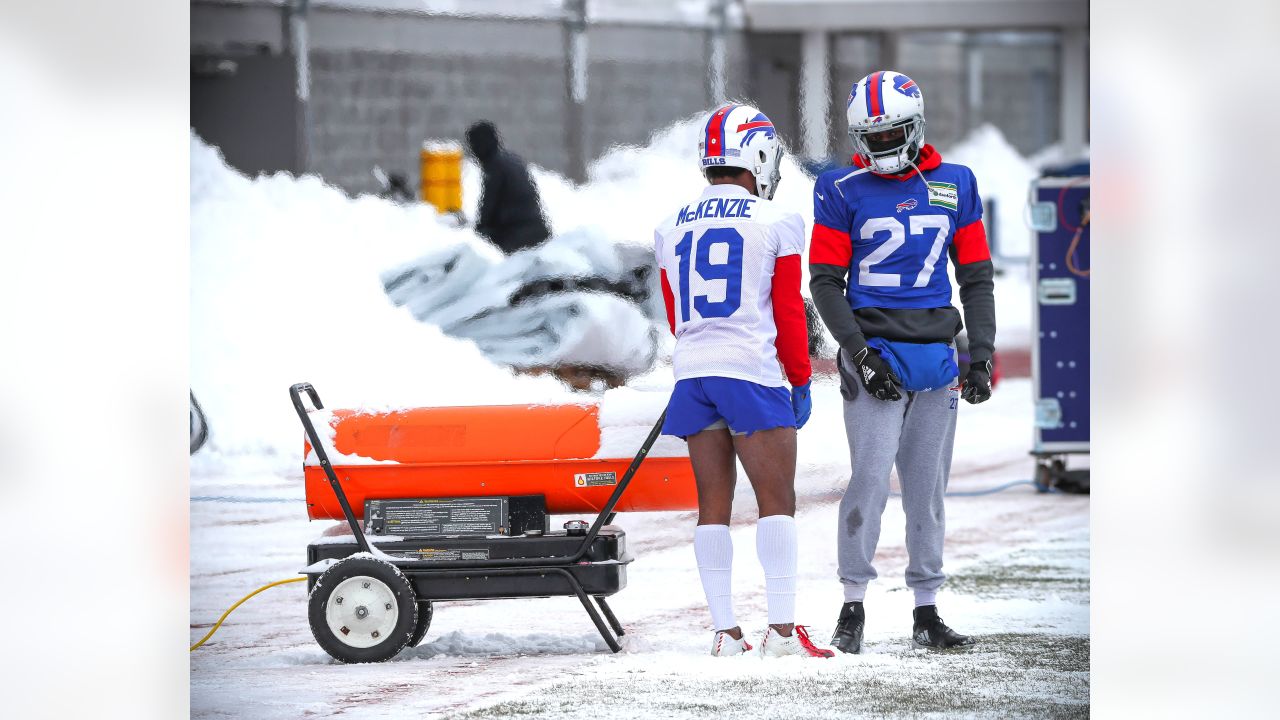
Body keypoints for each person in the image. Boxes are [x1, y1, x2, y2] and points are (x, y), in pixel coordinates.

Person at [808, 71, 996, 653]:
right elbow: (825, 282)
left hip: (936, 356)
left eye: (892, 134)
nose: (882, 146)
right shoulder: (841, 187)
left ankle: (926, 608)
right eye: (872, 135)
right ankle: (852, 605)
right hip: (876, 351)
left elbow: (976, 277)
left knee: (926, 490)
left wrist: (980, 354)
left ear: (915, 127)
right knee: (867, 479)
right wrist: (860, 354)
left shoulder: (956, 183)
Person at [654, 103, 831, 659]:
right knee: (777, 501)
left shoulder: (668, 225)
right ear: (754, 155)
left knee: (713, 505)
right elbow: (786, 308)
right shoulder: (776, 220)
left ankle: (726, 632)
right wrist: (799, 378)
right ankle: (781, 632)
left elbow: (671, 307)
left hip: (693, 370)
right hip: (751, 369)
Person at [464, 120, 552, 254]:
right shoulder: (511, 159)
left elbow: (488, 206)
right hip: (537, 229)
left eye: (472, 144)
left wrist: (477, 232)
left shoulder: (495, 167)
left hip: (516, 237)